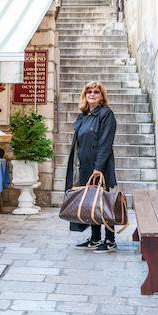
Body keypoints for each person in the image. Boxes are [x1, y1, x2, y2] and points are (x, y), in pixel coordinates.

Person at [64, 81, 118, 253]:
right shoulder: (84, 116)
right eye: (89, 92)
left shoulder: (106, 114)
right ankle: (95, 238)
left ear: (102, 96)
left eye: (96, 92)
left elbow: (106, 143)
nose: (92, 94)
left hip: (99, 165)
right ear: (85, 95)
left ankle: (110, 241)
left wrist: (99, 168)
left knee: (104, 202)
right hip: (85, 166)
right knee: (91, 202)